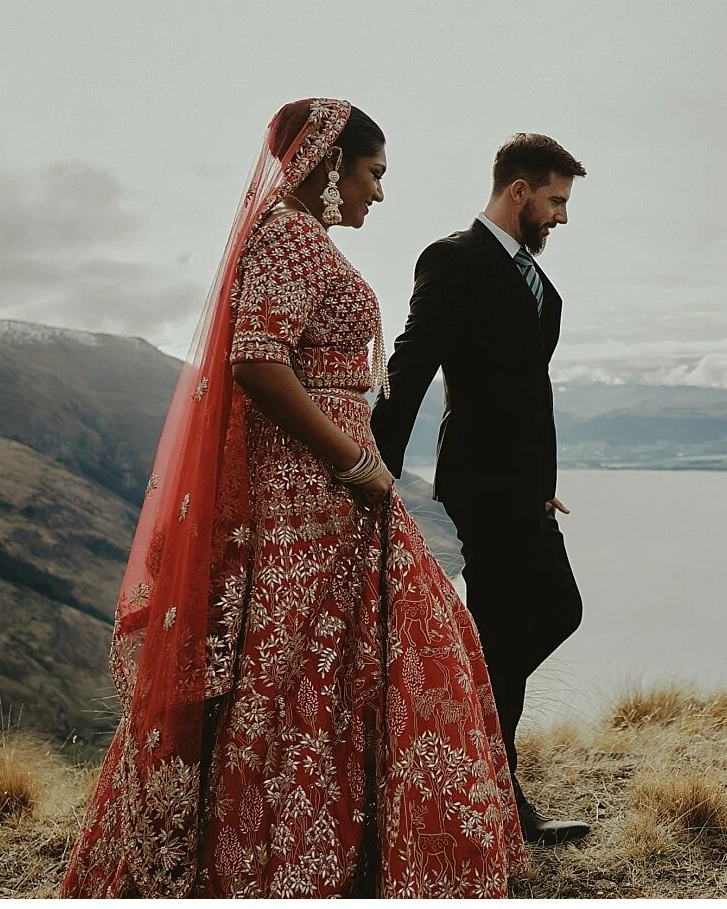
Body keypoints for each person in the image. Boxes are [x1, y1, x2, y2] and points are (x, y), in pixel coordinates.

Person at [61, 99, 526, 897]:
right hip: (313, 490)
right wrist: (354, 462)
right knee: (298, 672)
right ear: (329, 161)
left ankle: (355, 849)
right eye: (374, 173)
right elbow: (257, 363)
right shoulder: (284, 234)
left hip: (338, 487)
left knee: (357, 663)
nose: (379, 193)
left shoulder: (297, 236)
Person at [370, 133, 590, 846]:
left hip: (519, 485)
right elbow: (412, 364)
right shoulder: (453, 259)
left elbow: (529, 388)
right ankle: (495, 787)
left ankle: (478, 763)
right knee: (538, 613)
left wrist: (542, 481)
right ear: (519, 190)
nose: (561, 216)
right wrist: (373, 468)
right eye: (555, 200)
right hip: (479, 481)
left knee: (541, 616)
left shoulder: (536, 281)